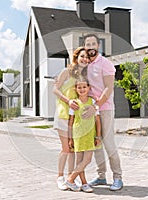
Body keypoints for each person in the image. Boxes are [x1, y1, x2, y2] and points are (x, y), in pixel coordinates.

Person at [83, 33, 123, 191]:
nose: (91, 47)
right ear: (85, 47)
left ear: (98, 46)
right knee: (96, 144)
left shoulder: (105, 63)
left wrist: (96, 106)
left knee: (108, 143)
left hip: (104, 108)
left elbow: (108, 88)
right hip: (91, 108)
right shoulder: (86, 65)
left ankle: (118, 177)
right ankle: (101, 176)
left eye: (93, 44)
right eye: (88, 44)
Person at [53, 46, 89, 190]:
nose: (84, 59)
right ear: (76, 58)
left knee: (73, 149)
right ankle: (59, 177)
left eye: (87, 57)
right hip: (63, 114)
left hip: (75, 118)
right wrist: (67, 101)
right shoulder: (66, 72)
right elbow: (54, 89)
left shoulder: (83, 77)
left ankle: (70, 179)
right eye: (82, 56)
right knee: (66, 149)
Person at [64, 76, 102, 192]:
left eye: (84, 87)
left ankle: (70, 179)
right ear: (75, 89)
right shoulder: (75, 103)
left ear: (88, 88)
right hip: (78, 134)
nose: (82, 89)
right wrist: (70, 138)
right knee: (80, 161)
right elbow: (70, 122)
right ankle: (84, 183)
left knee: (87, 159)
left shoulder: (93, 102)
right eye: (79, 87)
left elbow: (97, 120)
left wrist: (98, 136)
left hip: (90, 135)